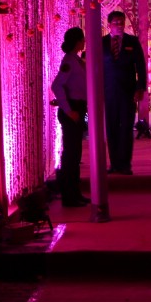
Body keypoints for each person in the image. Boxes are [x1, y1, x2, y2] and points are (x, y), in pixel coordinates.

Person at [101, 10, 146, 175]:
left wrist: (140, 88)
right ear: (109, 25)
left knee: (126, 127)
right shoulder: (101, 43)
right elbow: (96, 69)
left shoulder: (132, 41)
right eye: (116, 23)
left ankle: (125, 163)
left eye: (121, 22)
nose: (119, 25)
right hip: (109, 92)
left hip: (128, 92)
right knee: (111, 127)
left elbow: (140, 66)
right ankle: (114, 163)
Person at [50, 27, 90, 207]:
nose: (84, 42)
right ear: (77, 41)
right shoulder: (69, 62)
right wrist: (68, 110)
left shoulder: (75, 60)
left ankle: (75, 192)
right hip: (72, 109)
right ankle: (69, 195)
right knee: (70, 154)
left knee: (75, 153)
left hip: (78, 108)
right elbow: (57, 86)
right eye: (82, 39)